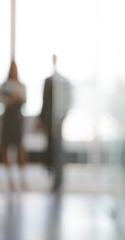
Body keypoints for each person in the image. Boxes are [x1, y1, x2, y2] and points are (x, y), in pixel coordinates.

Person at [38, 54, 72, 192]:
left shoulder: (63, 82)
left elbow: (66, 103)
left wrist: (60, 120)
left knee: (57, 151)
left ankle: (58, 181)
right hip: (48, 121)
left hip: (57, 122)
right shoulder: (48, 81)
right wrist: (41, 120)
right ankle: (54, 179)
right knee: (50, 151)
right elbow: (45, 103)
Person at [0, 60, 27, 191]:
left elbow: (24, 100)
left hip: (17, 118)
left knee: (19, 147)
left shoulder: (21, 85)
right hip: (7, 118)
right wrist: (11, 98)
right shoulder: (4, 85)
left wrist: (17, 98)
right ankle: (10, 180)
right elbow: (1, 100)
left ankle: (22, 179)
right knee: (5, 147)